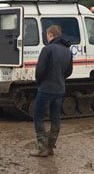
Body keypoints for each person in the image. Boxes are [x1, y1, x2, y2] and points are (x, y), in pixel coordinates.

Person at [30, 25, 73, 157]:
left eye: (47, 36)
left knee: (38, 117)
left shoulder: (47, 49)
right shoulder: (68, 51)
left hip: (46, 88)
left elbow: (40, 70)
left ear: (50, 35)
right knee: (55, 117)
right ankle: (50, 147)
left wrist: (40, 82)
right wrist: (60, 79)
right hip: (60, 89)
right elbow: (69, 72)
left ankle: (42, 148)